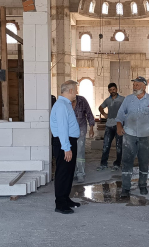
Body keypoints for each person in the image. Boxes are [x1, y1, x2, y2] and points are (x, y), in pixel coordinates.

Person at [116, 77, 149, 198]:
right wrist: (119, 126)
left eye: (137, 85)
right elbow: (120, 114)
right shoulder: (128, 99)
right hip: (129, 134)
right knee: (127, 161)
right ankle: (126, 188)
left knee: (144, 161)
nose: (134, 87)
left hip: (146, 135)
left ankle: (142, 185)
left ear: (144, 86)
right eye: (134, 84)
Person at [50, 80, 81, 214]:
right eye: (75, 90)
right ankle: (60, 204)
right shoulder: (62, 105)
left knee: (69, 172)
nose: (77, 93)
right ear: (70, 91)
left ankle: (65, 198)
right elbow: (62, 128)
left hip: (68, 141)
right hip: (64, 142)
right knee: (63, 173)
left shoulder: (66, 104)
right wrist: (66, 148)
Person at [97, 83, 125, 172]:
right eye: (110, 90)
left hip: (119, 125)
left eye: (114, 89)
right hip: (109, 125)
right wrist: (104, 114)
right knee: (106, 145)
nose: (112, 91)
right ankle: (103, 164)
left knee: (119, 146)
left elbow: (127, 109)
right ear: (108, 90)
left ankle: (117, 164)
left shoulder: (122, 99)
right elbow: (100, 107)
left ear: (116, 89)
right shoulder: (107, 100)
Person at [72, 95, 95, 183]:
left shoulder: (82, 100)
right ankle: (72, 172)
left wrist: (91, 128)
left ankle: (80, 173)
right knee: (70, 151)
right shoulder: (65, 101)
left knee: (80, 151)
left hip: (81, 127)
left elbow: (89, 113)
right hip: (69, 129)